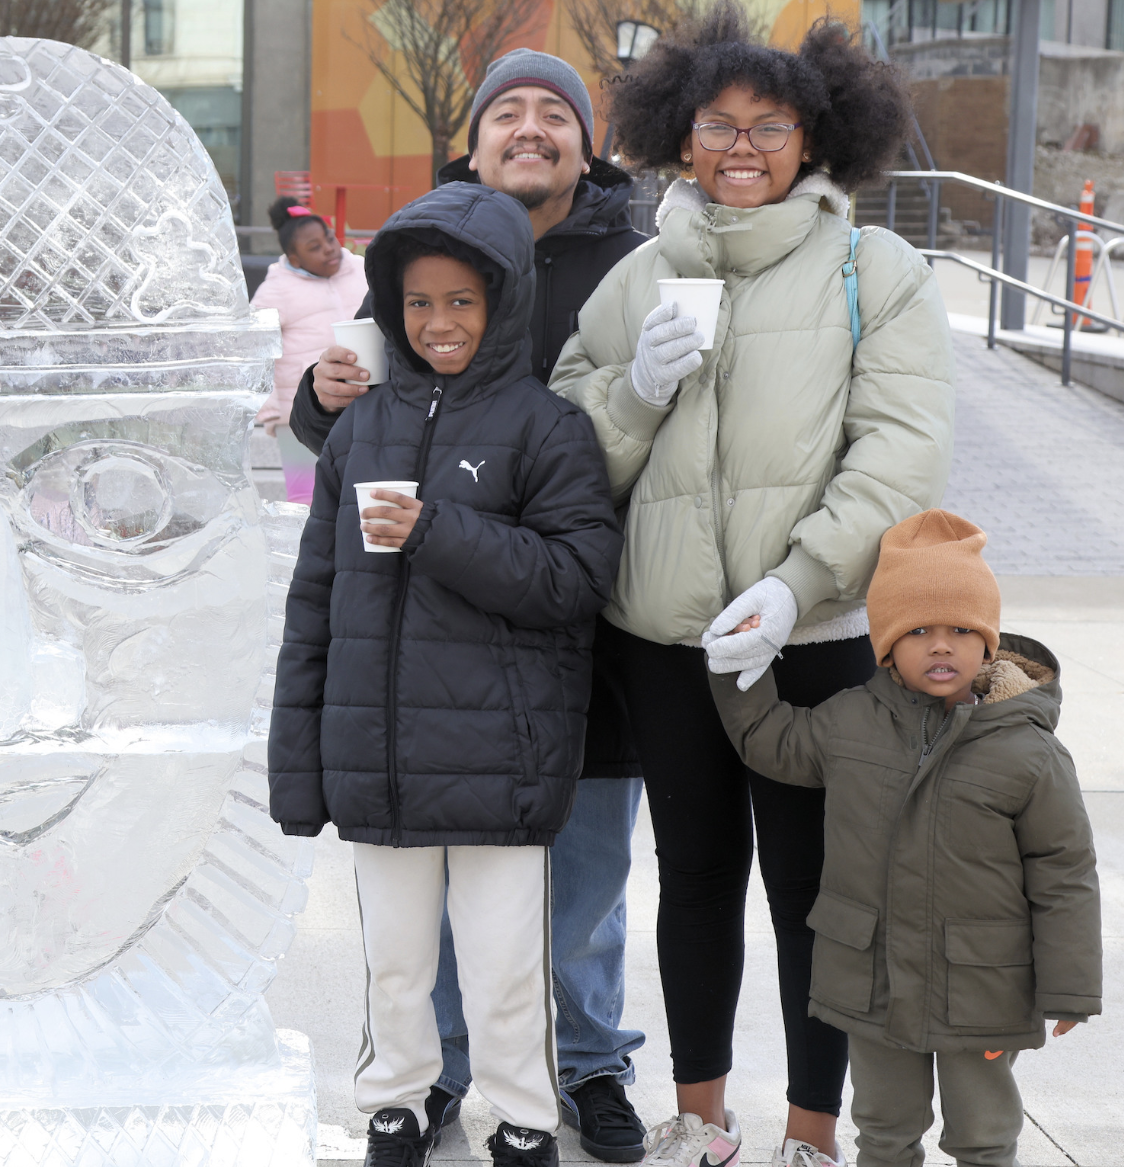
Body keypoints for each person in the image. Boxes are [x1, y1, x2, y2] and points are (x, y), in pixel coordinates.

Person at [549, 3, 956, 1164]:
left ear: (816, 138)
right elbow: (573, 448)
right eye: (717, 124)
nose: (740, 145)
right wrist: (632, 388)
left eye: (769, 125)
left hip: (815, 635)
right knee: (694, 876)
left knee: (817, 886)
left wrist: (796, 584)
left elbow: (900, 450)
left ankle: (815, 1129)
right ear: (679, 135)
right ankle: (702, 1114)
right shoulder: (637, 276)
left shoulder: (873, 268)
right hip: (666, 633)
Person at [287, 48, 653, 1163]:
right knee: (424, 911)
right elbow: (357, 446)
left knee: (576, 886)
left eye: (557, 112)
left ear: (589, 143)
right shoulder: (423, 244)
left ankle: (584, 1069)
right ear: (476, 140)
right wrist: (321, 397)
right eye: (510, 112)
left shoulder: (632, 261)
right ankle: (432, 1076)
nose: (531, 127)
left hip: (587, 632)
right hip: (422, 658)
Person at [707, 509, 1102, 1166]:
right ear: (886, 644)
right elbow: (769, 740)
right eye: (918, 630)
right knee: (883, 1131)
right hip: (875, 983)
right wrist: (735, 661)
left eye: (959, 631)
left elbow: (1064, 871)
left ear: (988, 644)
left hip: (983, 986)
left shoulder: (1027, 751)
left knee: (984, 1134)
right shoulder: (851, 723)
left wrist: (1070, 985)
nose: (940, 645)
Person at [251, 197, 368, 503]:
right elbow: (255, 351)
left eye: (329, 238)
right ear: (294, 258)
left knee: (358, 490)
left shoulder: (362, 269)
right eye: (314, 247)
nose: (329, 249)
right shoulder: (275, 290)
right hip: (298, 416)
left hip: (363, 406)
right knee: (306, 498)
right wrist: (272, 413)